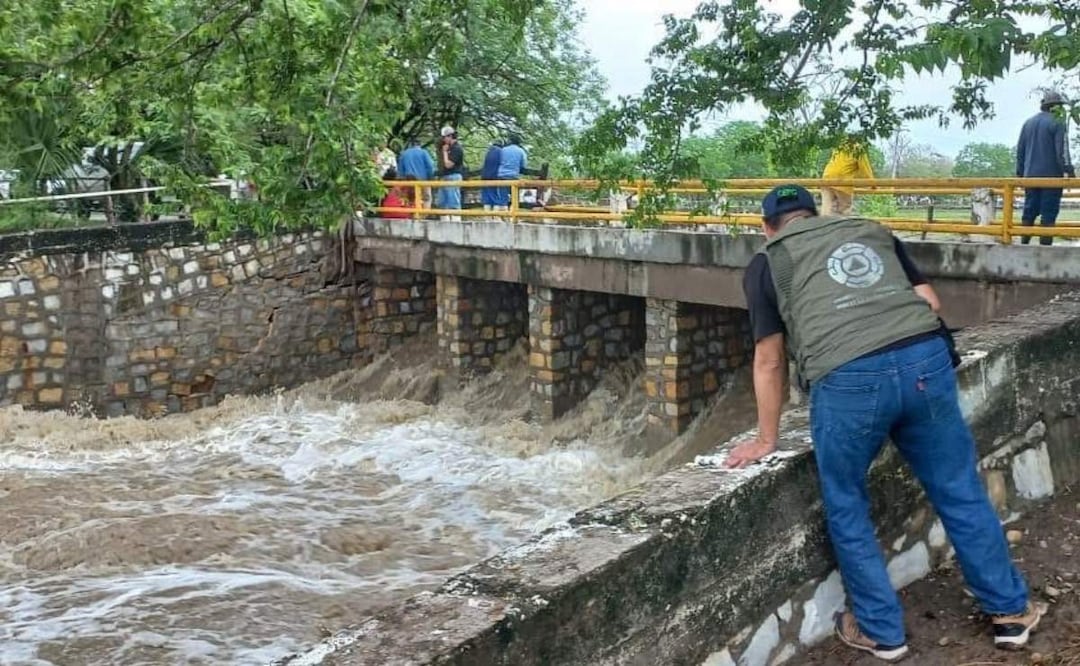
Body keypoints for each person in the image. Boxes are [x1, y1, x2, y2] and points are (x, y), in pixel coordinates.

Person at [726, 184, 1042, 662]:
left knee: (847, 501)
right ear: (814, 214)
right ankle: (1010, 614)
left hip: (849, 380)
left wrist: (766, 437)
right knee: (958, 486)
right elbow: (929, 301)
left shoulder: (767, 261)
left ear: (767, 226)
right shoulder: (869, 229)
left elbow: (769, 360)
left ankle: (881, 631)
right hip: (924, 361)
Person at [1016, 90, 1075, 246]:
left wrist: (1020, 174)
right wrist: (1070, 171)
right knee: (1048, 214)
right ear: (1056, 107)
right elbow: (1062, 152)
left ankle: (1023, 245)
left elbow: (1020, 151)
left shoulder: (1028, 123)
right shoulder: (1058, 122)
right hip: (1051, 178)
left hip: (1030, 177)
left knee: (1029, 211)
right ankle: (1045, 249)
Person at [822, 138, 874, 215]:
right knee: (845, 207)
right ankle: (843, 225)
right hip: (842, 179)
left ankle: (824, 224)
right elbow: (865, 169)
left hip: (827, 177)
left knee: (827, 207)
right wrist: (872, 183)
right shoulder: (859, 149)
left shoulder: (840, 147)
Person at [396, 139, 436, 211]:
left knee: (410, 198)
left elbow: (400, 171)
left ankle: (410, 214)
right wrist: (431, 178)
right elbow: (430, 166)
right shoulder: (423, 152)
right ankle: (424, 215)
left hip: (408, 180)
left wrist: (401, 181)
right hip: (423, 179)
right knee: (426, 198)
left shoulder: (404, 154)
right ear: (419, 145)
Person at [436, 125, 465, 221]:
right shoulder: (449, 148)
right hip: (445, 175)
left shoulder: (457, 149)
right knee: (442, 201)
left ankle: (455, 221)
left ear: (450, 136)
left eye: (444, 137)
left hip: (453, 175)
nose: (443, 140)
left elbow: (448, 164)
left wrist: (444, 152)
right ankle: (444, 220)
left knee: (453, 200)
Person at [495, 132, 528, 211]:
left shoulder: (503, 150)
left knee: (502, 197)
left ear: (510, 141)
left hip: (502, 176)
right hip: (513, 176)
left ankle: (503, 215)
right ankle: (512, 216)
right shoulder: (521, 151)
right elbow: (523, 165)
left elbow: (498, 161)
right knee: (514, 197)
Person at [480, 139, 505, 214]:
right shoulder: (501, 152)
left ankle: (487, 217)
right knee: (496, 197)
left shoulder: (488, 151)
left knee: (486, 198)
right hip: (494, 176)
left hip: (484, 176)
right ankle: (495, 217)